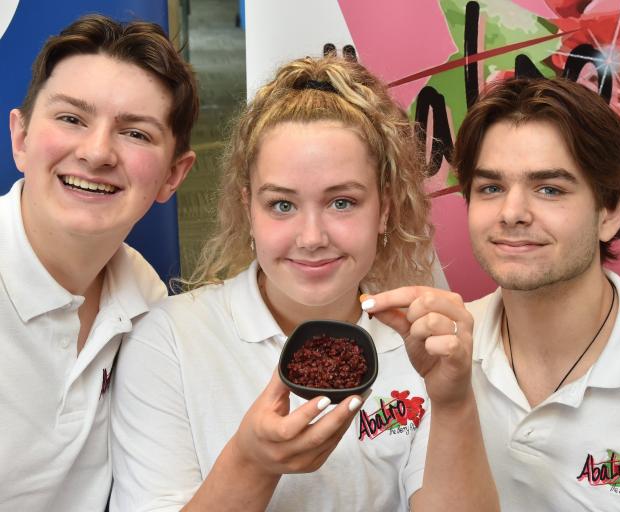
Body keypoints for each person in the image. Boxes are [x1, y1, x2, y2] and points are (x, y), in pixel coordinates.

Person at [110, 56, 497, 511]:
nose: (312, 238)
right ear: (248, 207)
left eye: (342, 202)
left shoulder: (419, 345)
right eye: (281, 205)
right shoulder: (169, 340)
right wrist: (250, 463)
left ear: (385, 209)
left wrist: (452, 404)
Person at [366, 76, 620, 510]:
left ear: (612, 210)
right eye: (491, 187)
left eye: (550, 189)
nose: (512, 213)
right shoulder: (424, 353)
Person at [0, 14, 198, 511]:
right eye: (71, 119)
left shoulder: (146, 298)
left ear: (173, 175)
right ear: (20, 139)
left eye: (135, 133)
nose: (96, 152)